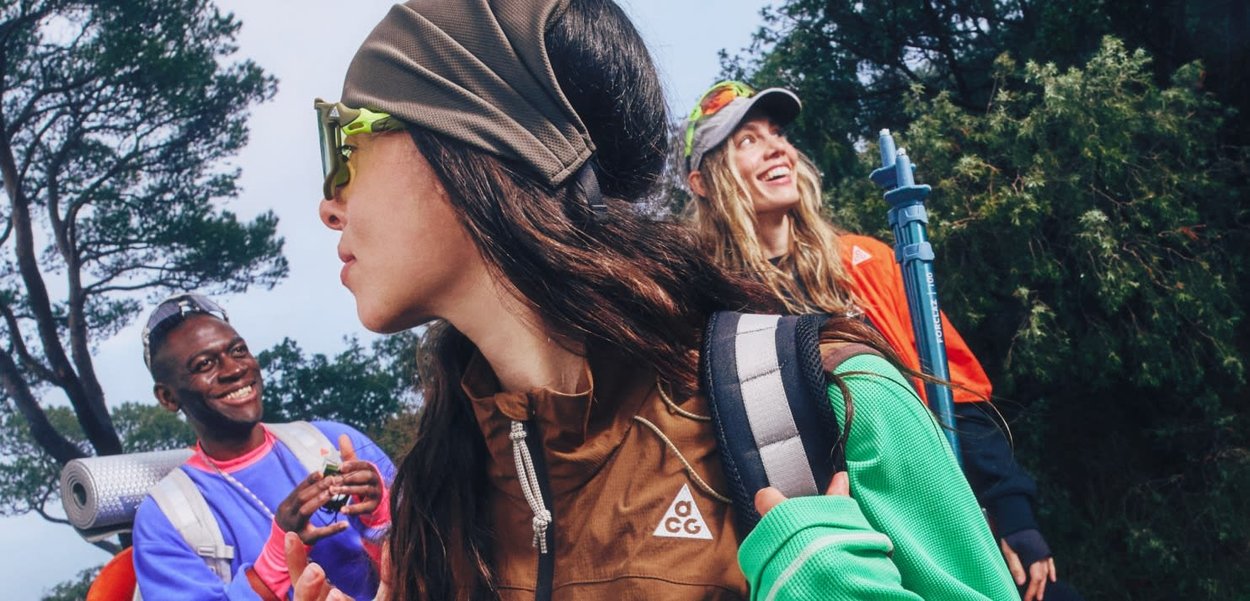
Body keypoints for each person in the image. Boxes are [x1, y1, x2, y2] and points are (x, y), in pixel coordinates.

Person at [299, 0, 1018, 599]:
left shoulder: (830, 397)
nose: (329, 205)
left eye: (343, 143)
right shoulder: (437, 503)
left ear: (480, 136)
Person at [681, 79, 1075, 601]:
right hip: (819, 549)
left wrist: (1011, 510)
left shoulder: (865, 263)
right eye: (748, 140)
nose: (777, 148)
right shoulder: (705, 309)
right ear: (703, 183)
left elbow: (956, 391)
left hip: (929, 516)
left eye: (777, 133)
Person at [131, 293, 395, 600]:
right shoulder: (164, 519)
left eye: (238, 351)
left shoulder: (333, 442)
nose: (234, 369)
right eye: (204, 364)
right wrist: (276, 560)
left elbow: (433, 557)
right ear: (167, 397)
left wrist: (381, 518)